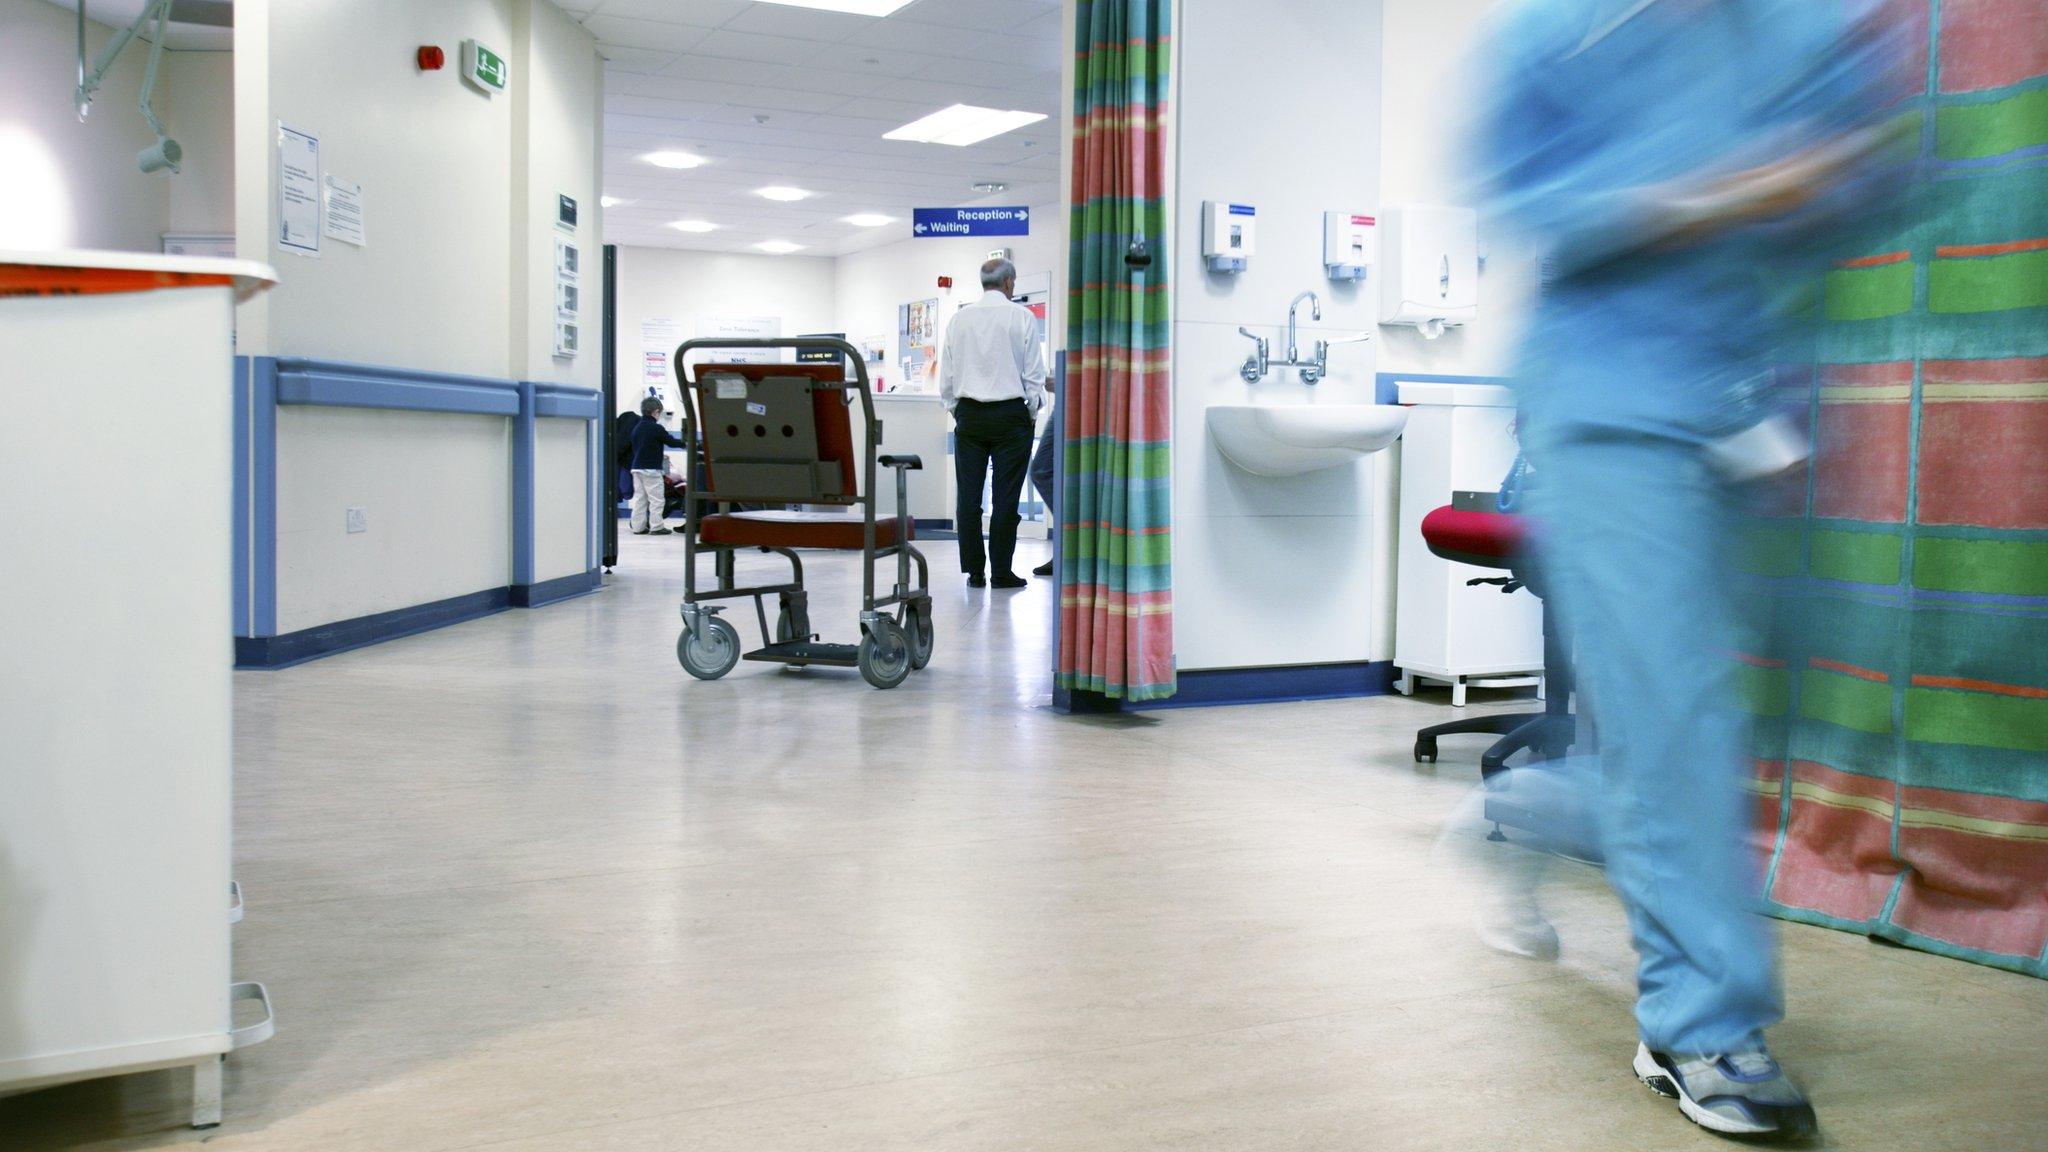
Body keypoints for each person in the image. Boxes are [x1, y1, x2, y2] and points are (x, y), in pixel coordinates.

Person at [1466, 0, 1911, 1141]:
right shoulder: (1551, 32)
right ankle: (1694, 1025)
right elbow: (1523, 199)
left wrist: (1844, 169)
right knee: (1677, 716)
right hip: (1608, 409)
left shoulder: (1794, 26)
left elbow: (1863, 190)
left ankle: (1523, 806)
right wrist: (1712, 195)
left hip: (1748, 402)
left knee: (1717, 727)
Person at [940, 258, 1048, 589]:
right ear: (1009, 283)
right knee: (1005, 499)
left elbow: (947, 376)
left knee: (969, 499)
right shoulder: (1022, 318)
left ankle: (974, 572)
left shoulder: (958, 320)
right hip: (1011, 417)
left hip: (970, 416)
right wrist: (1030, 412)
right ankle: (1001, 571)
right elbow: (1034, 376)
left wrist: (956, 409)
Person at [626, 395, 684, 536]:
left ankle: (638, 527)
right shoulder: (656, 428)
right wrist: (686, 443)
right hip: (651, 469)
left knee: (640, 499)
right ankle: (657, 527)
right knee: (657, 499)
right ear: (656, 412)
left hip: (636, 468)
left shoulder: (636, 428)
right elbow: (671, 442)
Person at [1028, 386, 1056, 577]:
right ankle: (1067, 546)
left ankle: (1068, 547)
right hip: (1067, 400)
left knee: (1041, 469)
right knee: (1041, 470)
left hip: (1076, 395)